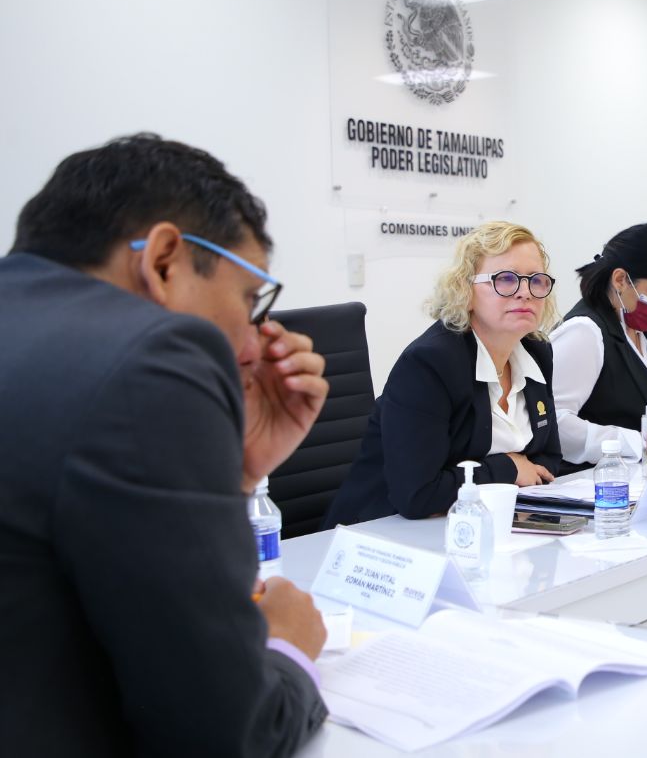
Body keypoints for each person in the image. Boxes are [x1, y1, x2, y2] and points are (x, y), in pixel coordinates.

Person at [1, 134, 329, 756]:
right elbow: (227, 729)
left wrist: (236, 472)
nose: (254, 343)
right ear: (163, 261)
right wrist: (288, 647)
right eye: (249, 299)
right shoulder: (155, 355)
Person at [326, 222, 561, 526]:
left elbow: (548, 460)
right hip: (381, 532)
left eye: (536, 281)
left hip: (484, 523)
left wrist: (503, 480)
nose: (525, 293)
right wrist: (508, 468)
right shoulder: (429, 363)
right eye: (505, 279)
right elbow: (418, 495)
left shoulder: (537, 352)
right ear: (466, 291)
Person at [551, 223, 647, 471]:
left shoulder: (640, 329)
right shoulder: (584, 332)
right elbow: (554, 423)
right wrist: (638, 442)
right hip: (597, 483)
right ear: (620, 280)